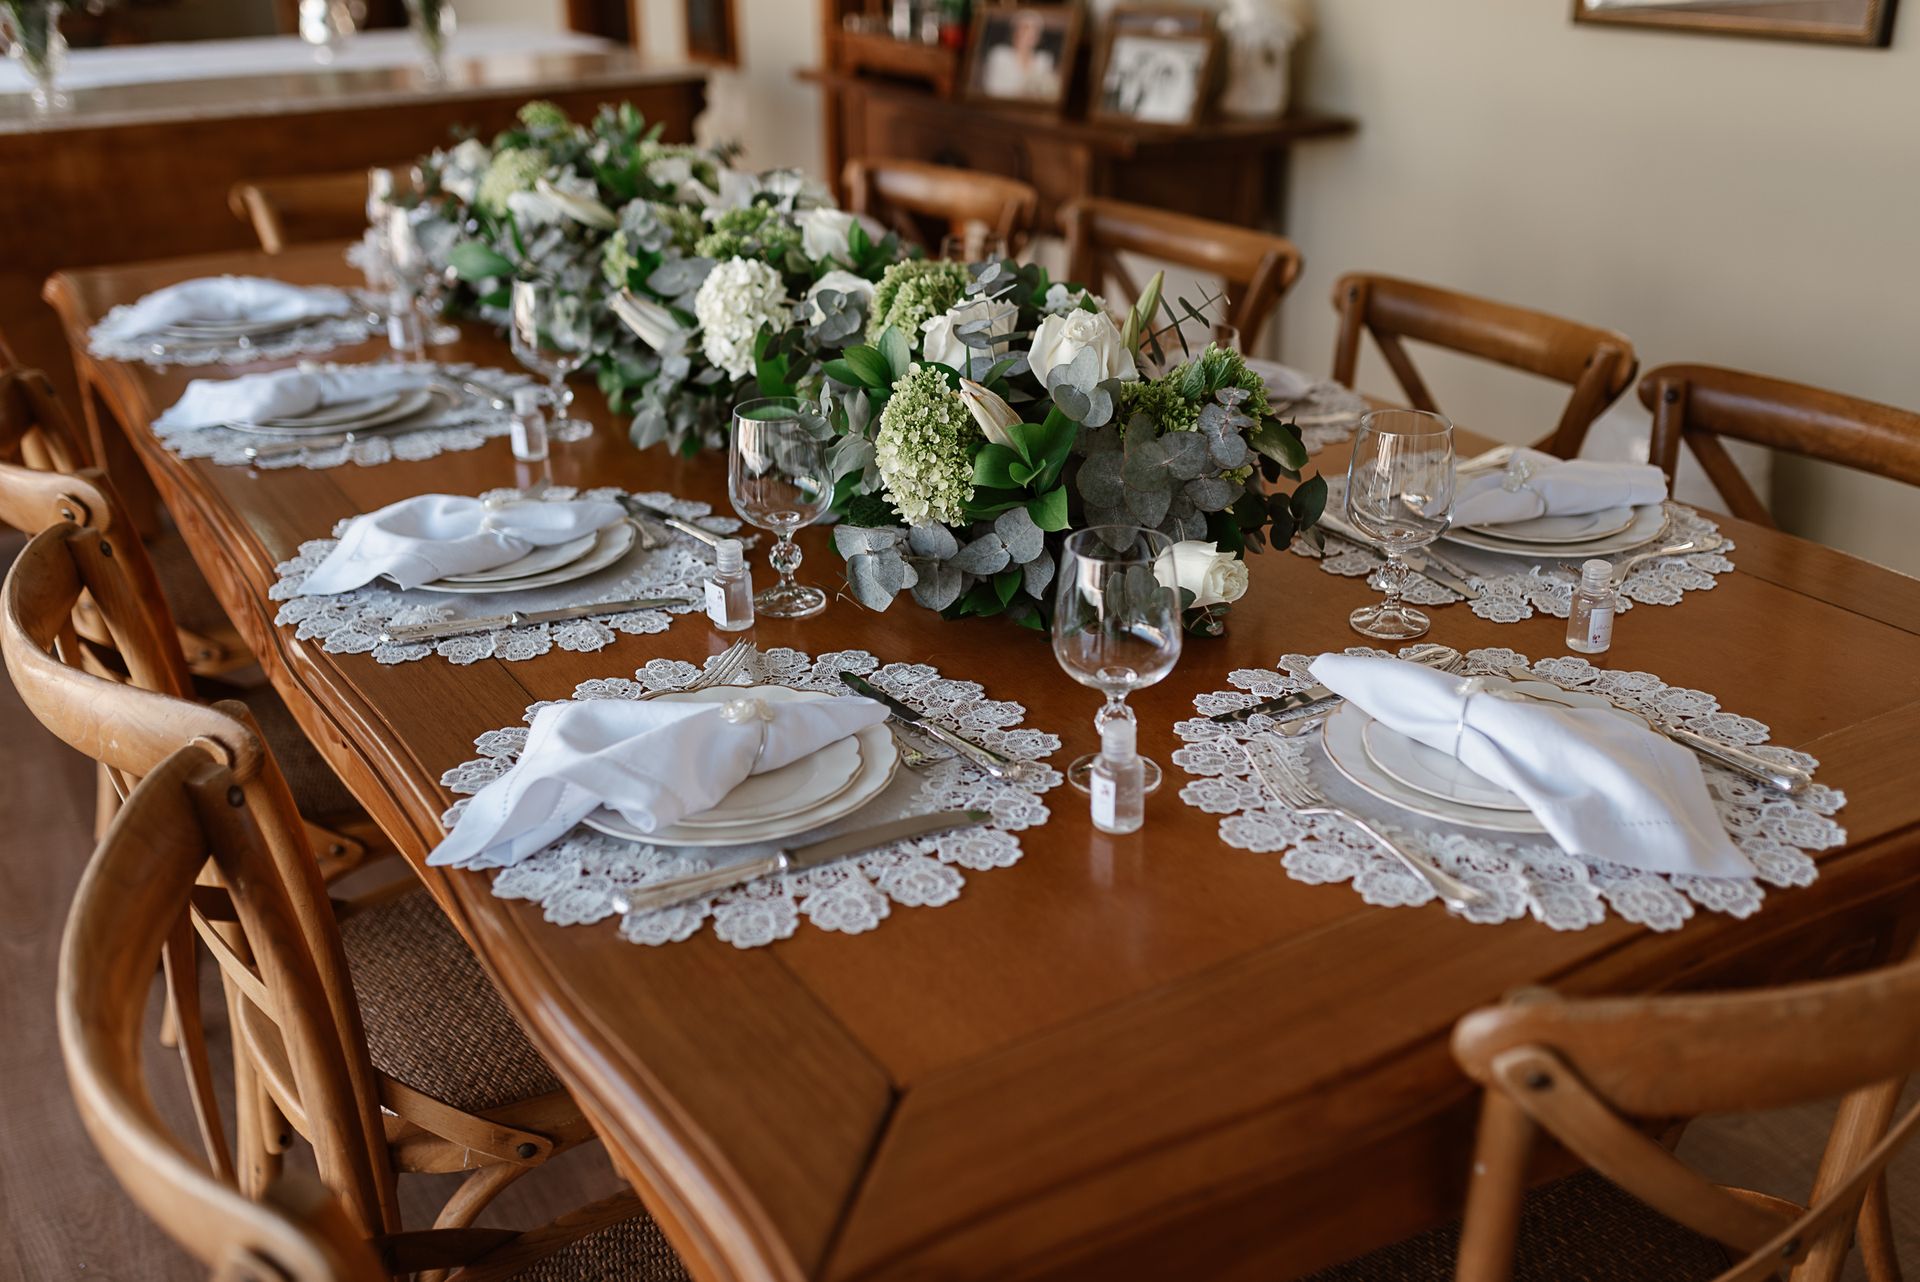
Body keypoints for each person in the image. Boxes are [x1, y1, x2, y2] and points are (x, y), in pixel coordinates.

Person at [980, 12, 1061, 101]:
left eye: (1031, 30)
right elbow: (992, 90)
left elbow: (1046, 93)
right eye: (1021, 29)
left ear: (1038, 37)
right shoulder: (1000, 55)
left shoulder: (1043, 60)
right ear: (1014, 33)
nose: (1025, 35)